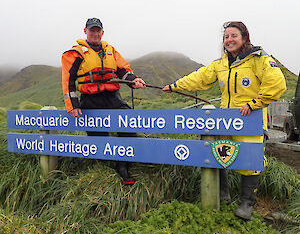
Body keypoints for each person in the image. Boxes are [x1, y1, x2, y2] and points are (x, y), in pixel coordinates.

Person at [162, 21, 286, 220]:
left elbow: (277, 83)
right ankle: (223, 195)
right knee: (218, 152)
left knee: (250, 160)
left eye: (234, 35)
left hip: (250, 119)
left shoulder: (259, 59)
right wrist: (175, 85)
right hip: (225, 120)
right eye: (226, 37)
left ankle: (247, 204)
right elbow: (200, 77)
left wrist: (255, 103)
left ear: (244, 37)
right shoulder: (221, 63)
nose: (229, 40)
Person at [62, 17, 146, 185]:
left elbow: (123, 69)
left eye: (97, 30)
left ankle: (123, 166)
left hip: (112, 98)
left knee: (128, 124)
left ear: (102, 32)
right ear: (85, 31)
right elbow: (68, 79)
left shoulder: (111, 50)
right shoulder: (75, 53)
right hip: (90, 99)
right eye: (91, 30)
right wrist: (72, 105)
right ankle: (103, 170)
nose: (95, 33)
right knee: (98, 138)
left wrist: (134, 80)